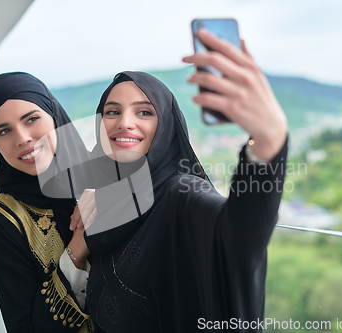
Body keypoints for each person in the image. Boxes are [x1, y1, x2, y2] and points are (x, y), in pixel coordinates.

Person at [81, 29, 288, 332]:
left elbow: (240, 237)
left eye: (144, 112)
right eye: (113, 111)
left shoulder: (181, 193)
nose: (125, 122)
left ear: (166, 126)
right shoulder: (105, 198)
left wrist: (268, 141)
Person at [0, 72, 95, 332]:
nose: (22, 138)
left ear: (54, 118)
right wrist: (78, 246)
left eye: (31, 119)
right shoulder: (2, 218)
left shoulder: (107, 182)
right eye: (4, 131)